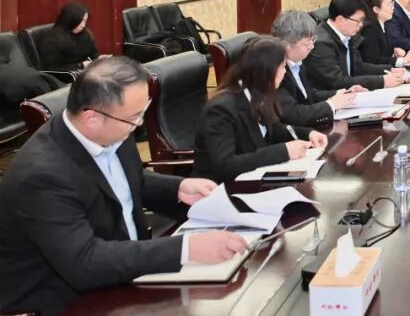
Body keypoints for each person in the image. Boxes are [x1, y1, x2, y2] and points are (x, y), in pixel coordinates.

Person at [0, 57, 248, 316]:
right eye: (134, 117)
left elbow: (130, 179)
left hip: (125, 274)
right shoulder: (41, 177)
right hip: (67, 300)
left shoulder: (113, 128)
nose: (139, 124)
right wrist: (187, 248)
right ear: (92, 118)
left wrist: (178, 187)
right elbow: (85, 262)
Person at [192, 36, 328, 183]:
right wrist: (284, 152)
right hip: (218, 187)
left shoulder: (257, 93)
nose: (285, 71)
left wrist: (308, 133)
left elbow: (270, 129)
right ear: (267, 70)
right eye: (282, 66)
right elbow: (226, 166)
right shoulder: (220, 109)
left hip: (252, 179)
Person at [271, 10, 366, 127]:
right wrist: (331, 105)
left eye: (313, 40)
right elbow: (294, 113)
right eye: (307, 43)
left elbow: (309, 95)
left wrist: (341, 94)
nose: (312, 46)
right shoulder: (277, 72)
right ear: (286, 45)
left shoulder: (298, 62)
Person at [305, 0, 408, 94]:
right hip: (332, 98)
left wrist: (389, 69)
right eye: (358, 20)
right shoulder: (322, 43)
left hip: (351, 94)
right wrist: (381, 81)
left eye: (362, 20)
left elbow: (358, 67)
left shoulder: (347, 34)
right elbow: (336, 81)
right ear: (340, 19)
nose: (361, 25)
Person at [358, 0, 410, 66]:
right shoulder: (369, 29)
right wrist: (403, 60)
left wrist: (394, 51)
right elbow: (373, 60)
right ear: (376, 9)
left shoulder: (385, 24)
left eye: (392, 3)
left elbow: (383, 52)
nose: (393, 7)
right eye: (389, 4)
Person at [38, 1, 100, 73]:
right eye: (80, 21)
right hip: (67, 75)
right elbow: (50, 68)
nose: (83, 25)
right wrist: (80, 65)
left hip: (84, 71)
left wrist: (100, 59)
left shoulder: (84, 34)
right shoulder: (51, 40)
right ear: (70, 21)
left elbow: (93, 54)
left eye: (85, 21)